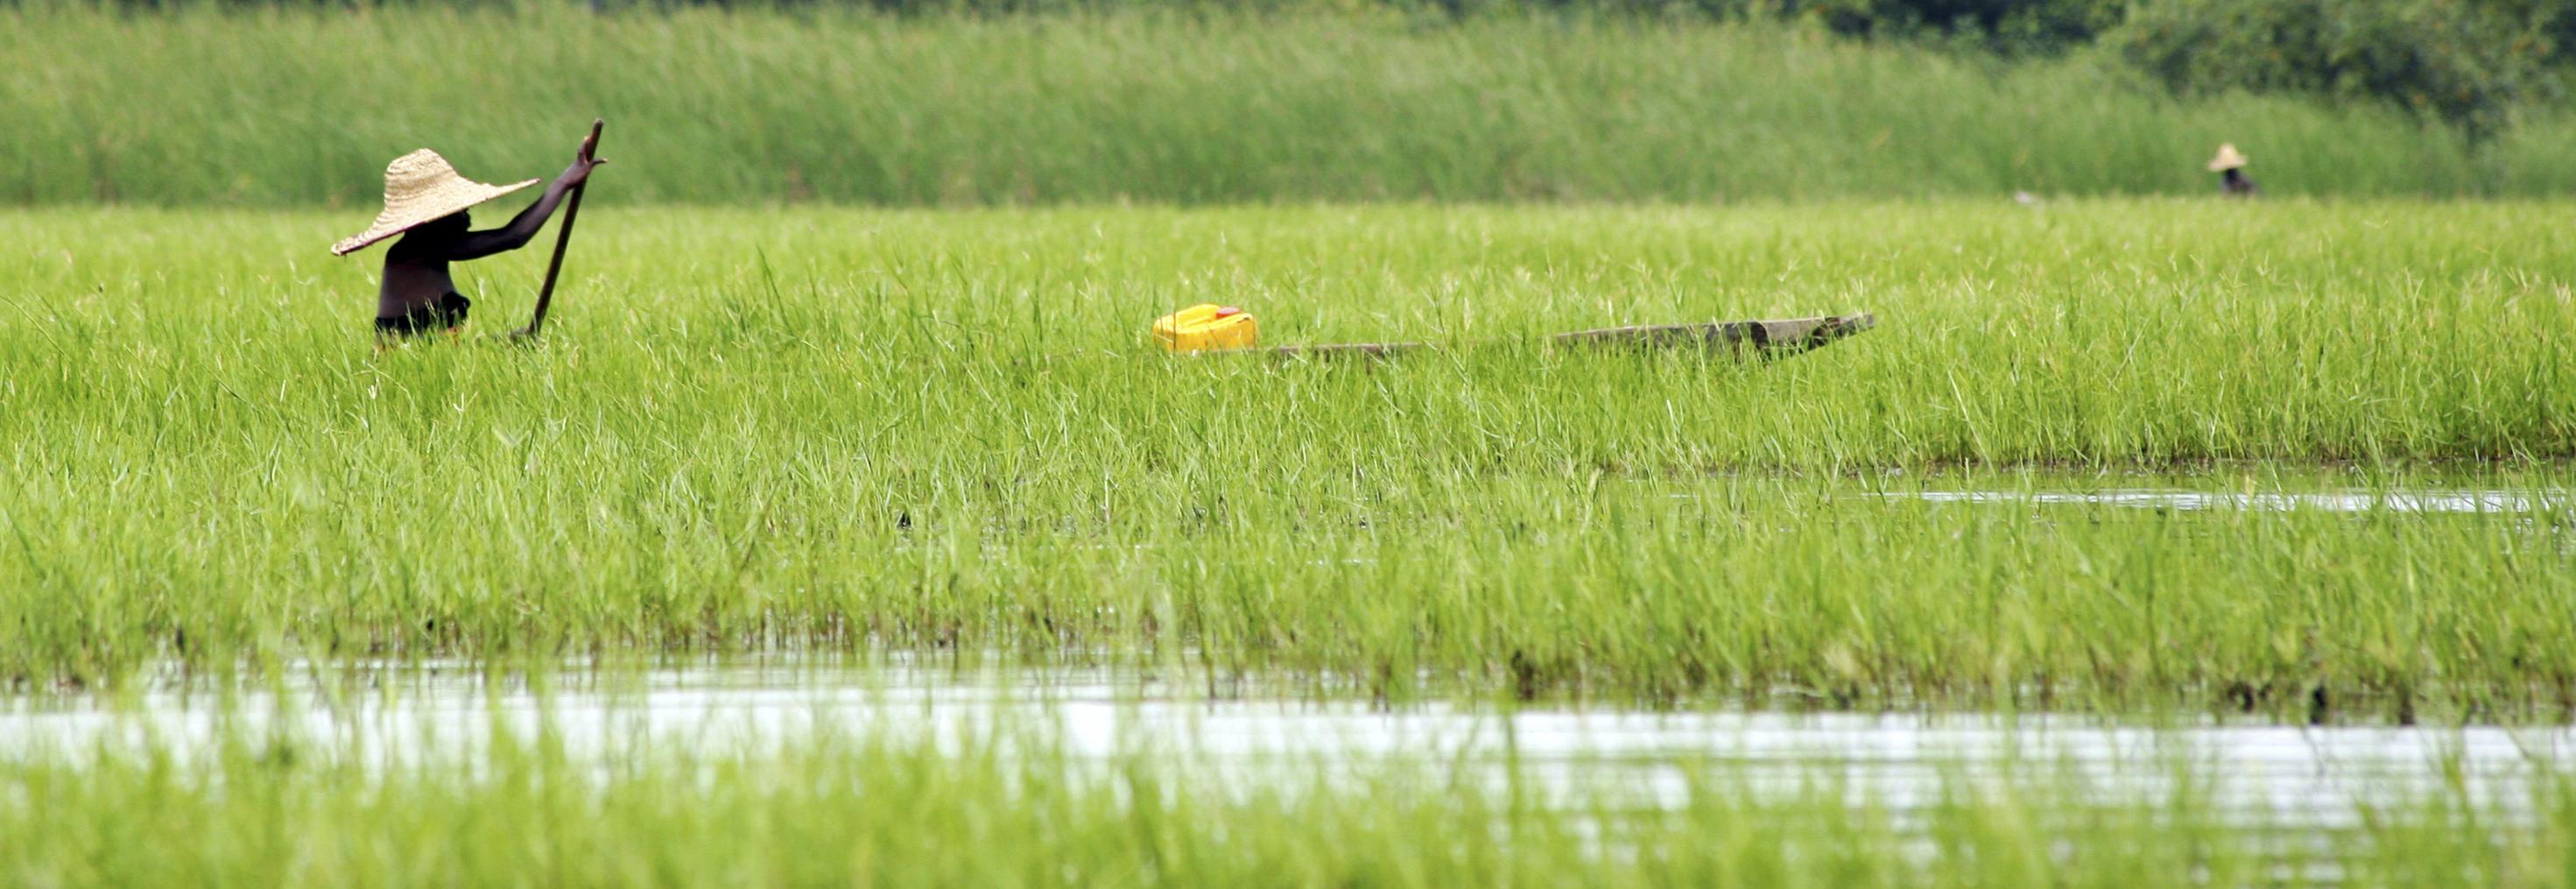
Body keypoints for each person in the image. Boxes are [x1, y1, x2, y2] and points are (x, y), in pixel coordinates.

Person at [331, 145, 601, 338]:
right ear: (432, 219)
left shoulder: (417, 250)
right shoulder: (423, 248)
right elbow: (514, 236)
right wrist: (563, 183)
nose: (467, 216)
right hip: (406, 375)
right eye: (459, 211)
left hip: (422, 368)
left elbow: (437, 348)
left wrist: (507, 341)